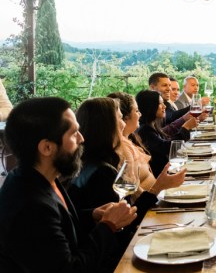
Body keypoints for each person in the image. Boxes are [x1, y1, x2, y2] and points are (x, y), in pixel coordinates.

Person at [0, 97, 137, 273]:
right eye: (73, 134)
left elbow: (57, 226)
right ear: (47, 147)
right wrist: (108, 226)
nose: (82, 139)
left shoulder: (40, 177)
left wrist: (93, 215)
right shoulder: (30, 205)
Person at [68, 97, 185, 249]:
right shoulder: (103, 171)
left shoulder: (83, 162)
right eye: (120, 118)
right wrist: (157, 188)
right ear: (106, 126)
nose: (123, 125)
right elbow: (125, 224)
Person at [136, 90, 196, 176]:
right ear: (150, 106)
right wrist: (185, 128)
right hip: (160, 178)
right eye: (160, 104)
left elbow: (167, 140)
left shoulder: (153, 125)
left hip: (167, 173)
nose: (164, 106)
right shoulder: (144, 130)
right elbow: (166, 147)